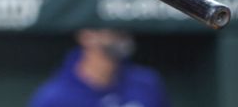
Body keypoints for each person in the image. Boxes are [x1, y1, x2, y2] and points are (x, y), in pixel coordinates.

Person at [29, 29, 170, 107]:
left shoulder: (146, 83)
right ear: (86, 36)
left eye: (122, 32)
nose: (120, 37)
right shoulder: (55, 97)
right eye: (112, 31)